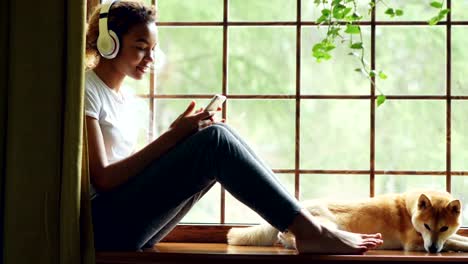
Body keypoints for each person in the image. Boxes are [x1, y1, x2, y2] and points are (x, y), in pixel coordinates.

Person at [84, 0, 383, 253]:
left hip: (127, 222)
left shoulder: (128, 100)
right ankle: (309, 230)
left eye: (153, 48)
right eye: (140, 46)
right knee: (215, 141)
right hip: (105, 227)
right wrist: (173, 138)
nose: (151, 57)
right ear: (108, 43)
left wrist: (176, 141)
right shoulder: (86, 89)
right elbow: (105, 179)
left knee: (217, 135)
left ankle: (306, 226)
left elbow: (133, 171)